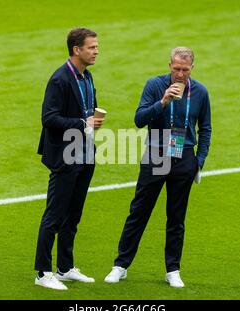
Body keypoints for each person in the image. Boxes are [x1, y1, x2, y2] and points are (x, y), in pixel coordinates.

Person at [104, 47, 211, 288]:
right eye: (176, 69)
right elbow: (139, 119)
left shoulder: (201, 92)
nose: (180, 74)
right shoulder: (154, 86)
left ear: (192, 68)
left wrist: (199, 161)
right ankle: (120, 265)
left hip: (184, 157)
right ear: (169, 66)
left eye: (185, 70)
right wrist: (163, 102)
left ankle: (172, 270)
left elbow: (205, 128)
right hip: (156, 155)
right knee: (139, 211)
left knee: (176, 218)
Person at [34, 28, 104, 290]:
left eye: (97, 47)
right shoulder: (60, 79)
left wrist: (93, 121)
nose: (96, 51)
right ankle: (42, 272)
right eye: (92, 47)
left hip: (85, 153)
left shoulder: (87, 77)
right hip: (65, 156)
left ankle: (64, 267)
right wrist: (81, 122)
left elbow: (86, 111)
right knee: (54, 215)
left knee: (73, 214)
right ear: (77, 49)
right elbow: (48, 118)